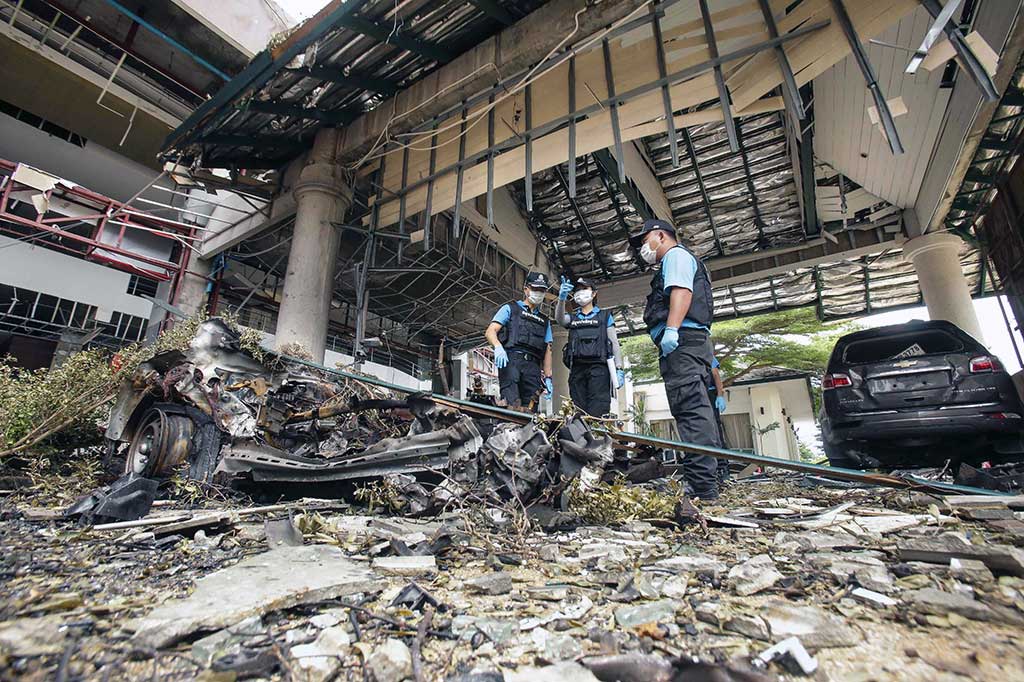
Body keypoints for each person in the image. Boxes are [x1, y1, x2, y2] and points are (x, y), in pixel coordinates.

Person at [629, 218, 720, 500]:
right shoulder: (678, 259)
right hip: (689, 344)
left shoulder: (676, 256)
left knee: (690, 410)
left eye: (644, 241)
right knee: (696, 411)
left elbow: (681, 291)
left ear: (660, 236)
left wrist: (671, 329)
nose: (643, 248)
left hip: (682, 343)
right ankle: (707, 479)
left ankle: (702, 486)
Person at [554, 276, 625, 417]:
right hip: (577, 370)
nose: (580, 292)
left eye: (584, 288)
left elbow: (614, 343)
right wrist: (561, 299)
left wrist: (619, 368)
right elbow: (560, 319)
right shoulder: (573, 318)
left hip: (599, 370)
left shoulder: (605, 316)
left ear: (594, 293)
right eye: (577, 290)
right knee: (579, 412)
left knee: (598, 410)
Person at [485, 272, 554, 411]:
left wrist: (548, 377)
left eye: (542, 290)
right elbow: (490, 331)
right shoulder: (510, 309)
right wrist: (498, 347)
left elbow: (548, 349)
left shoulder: (545, 321)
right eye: (535, 289)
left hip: (533, 367)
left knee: (531, 408)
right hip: (511, 361)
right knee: (511, 404)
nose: (538, 293)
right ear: (526, 289)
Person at [708, 357, 729, 482]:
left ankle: (722, 468)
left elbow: (715, 374)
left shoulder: (705, 353)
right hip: (695, 394)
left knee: (715, 431)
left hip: (709, 394)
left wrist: (720, 395)